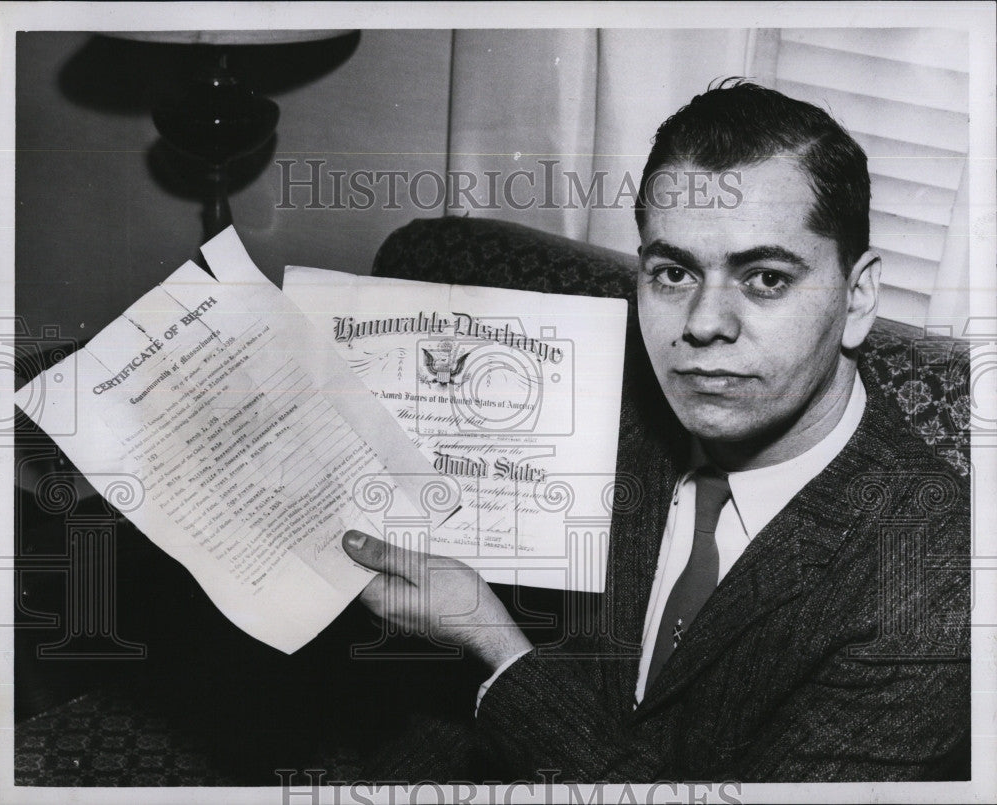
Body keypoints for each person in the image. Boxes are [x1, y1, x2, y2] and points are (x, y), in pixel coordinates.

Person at [342, 79, 970, 782]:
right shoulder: (595, 406)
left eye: (765, 278)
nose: (703, 323)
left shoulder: (935, 581)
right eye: (673, 272)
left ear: (858, 299)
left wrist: (494, 642)